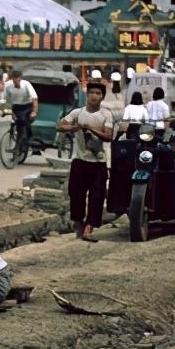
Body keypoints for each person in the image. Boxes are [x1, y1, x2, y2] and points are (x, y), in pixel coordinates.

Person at [57, 82, 113, 242]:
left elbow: (109, 136)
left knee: (97, 197)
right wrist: (74, 128)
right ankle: (79, 227)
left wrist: (91, 129)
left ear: (102, 96)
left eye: (98, 93)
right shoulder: (77, 113)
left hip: (99, 163)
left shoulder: (105, 115)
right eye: (92, 92)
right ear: (87, 95)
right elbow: (60, 125)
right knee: (76, 195)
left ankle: (89, 227)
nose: (94, 96)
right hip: (80, 162)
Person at [0, 69, 38, 149]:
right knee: (17, 125)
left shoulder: (26, 84)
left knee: (25, 123)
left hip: (27, 106)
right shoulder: (8, 85)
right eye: (14, 78)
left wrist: (34, 111)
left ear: (20, 78)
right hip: (16, 107)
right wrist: (5, 110)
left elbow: (34, 98)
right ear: (12, 78)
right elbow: (7, 100)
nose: (16, 80)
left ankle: (30, 138)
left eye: (17, 78)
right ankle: (18, 147)